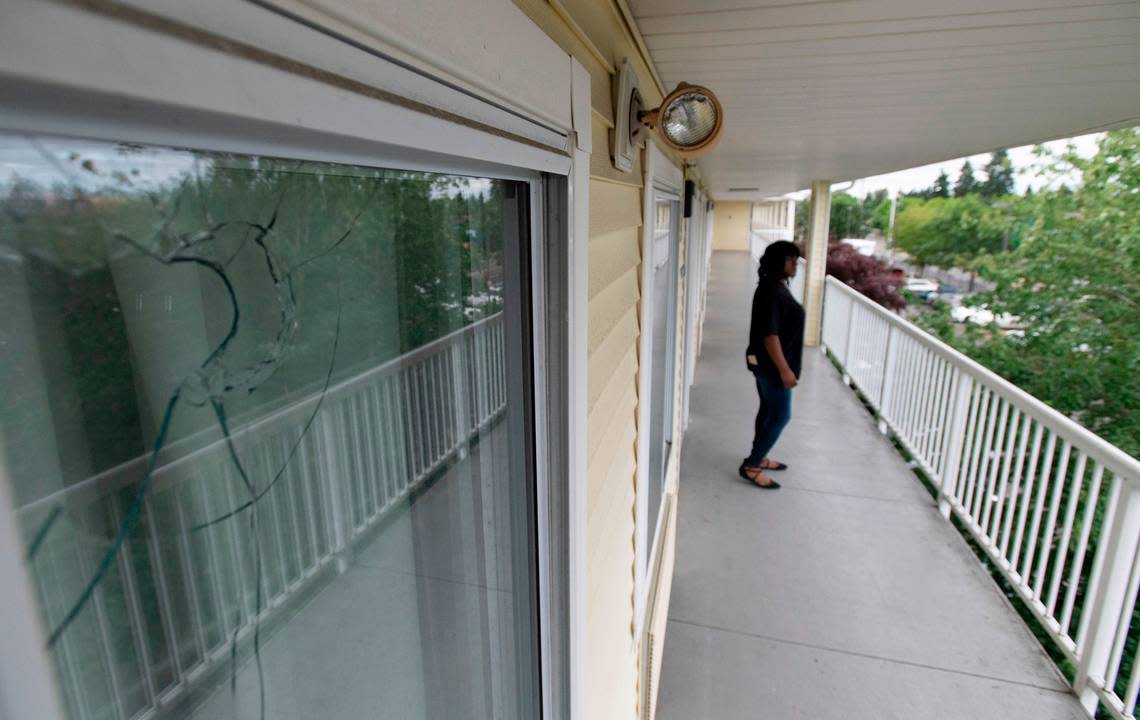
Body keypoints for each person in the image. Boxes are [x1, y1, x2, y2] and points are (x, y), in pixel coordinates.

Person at [740, 241, 804, 489]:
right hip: (773, 368)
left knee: (768, 410)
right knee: (780, 415)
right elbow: (770, 336)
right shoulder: (773, 292)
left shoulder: (771, 287)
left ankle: (759, 455)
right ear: (780, 261)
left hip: (765, 365)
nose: (795, 263)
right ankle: (752, 466)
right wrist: (785, 370)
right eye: (791, 259)